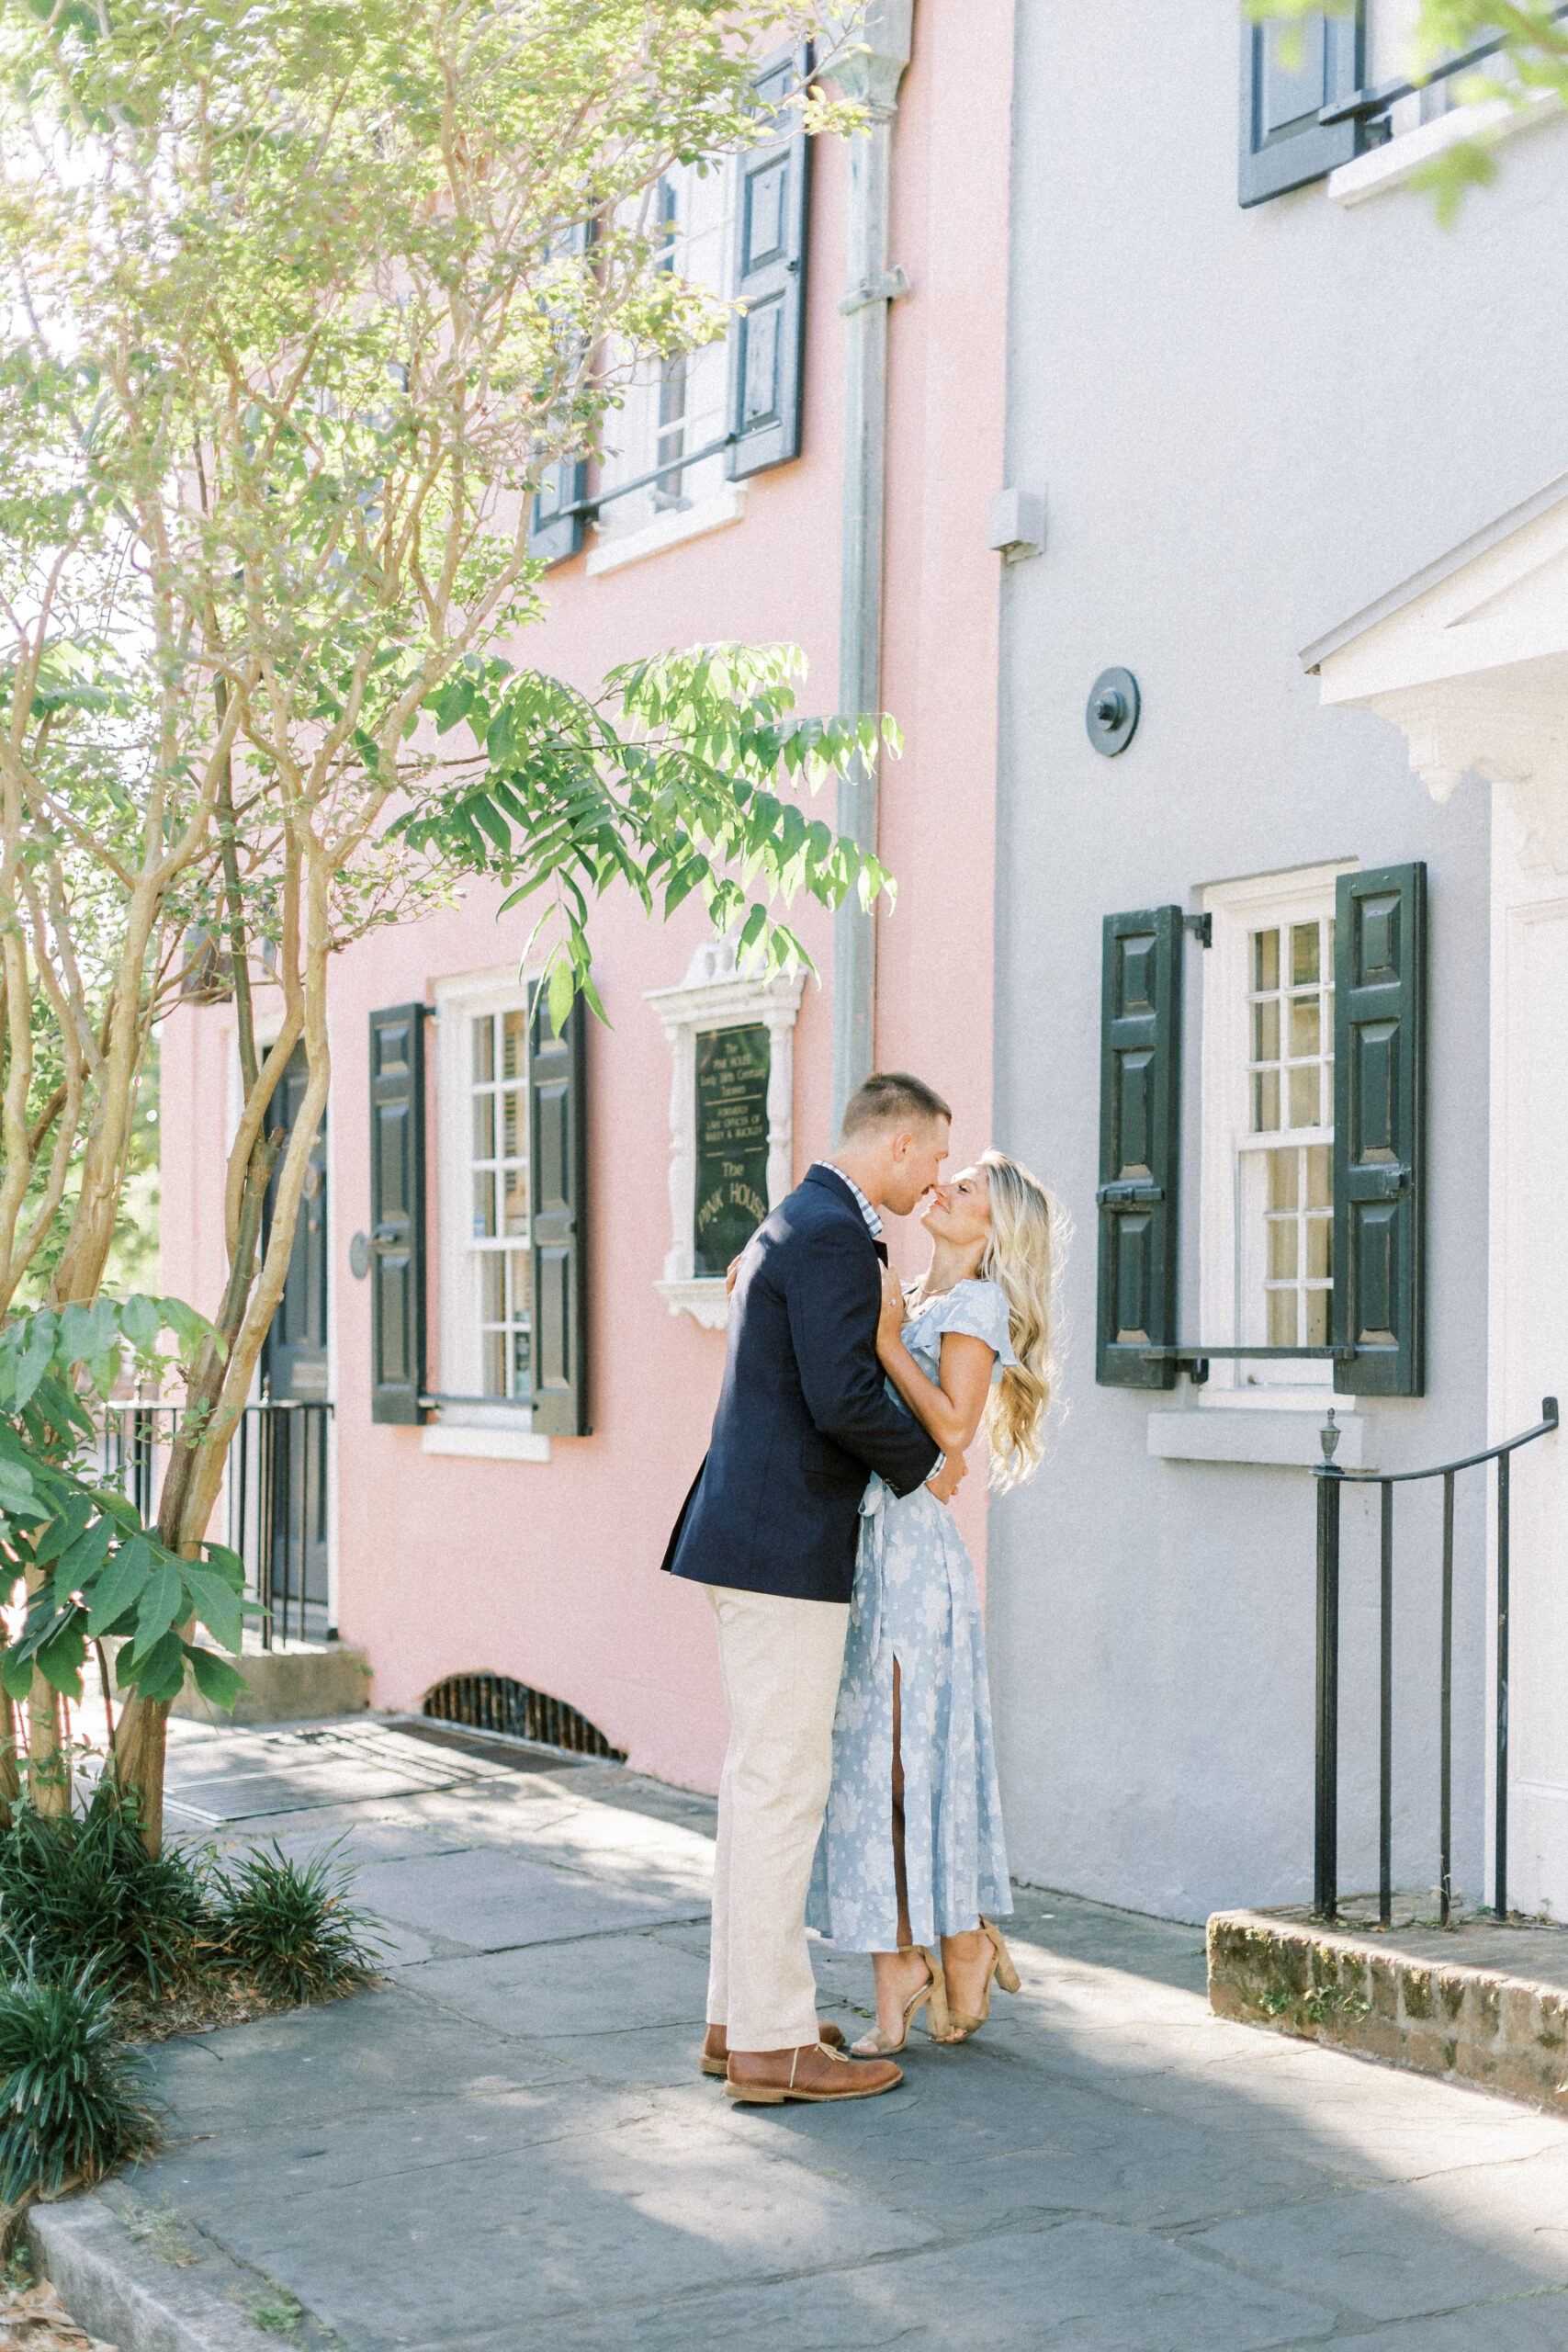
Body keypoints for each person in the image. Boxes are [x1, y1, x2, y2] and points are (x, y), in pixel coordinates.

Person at [661, 1071, 965, 2106]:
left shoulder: (797, 1216)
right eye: (931, 1160)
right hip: (782, 1546)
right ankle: (775, 2045)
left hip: (748, 1539)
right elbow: (840, 1395)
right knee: (783, 1786)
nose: (934, 1184)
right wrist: (928, 1461)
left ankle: (738, 2017)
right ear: (895, 1145)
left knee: (760, 1787)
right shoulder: (836, 1231)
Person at [807, 1150, 1061, 2054]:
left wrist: (882, 1344)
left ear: (993, 1230)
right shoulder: (916, 1293)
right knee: (889, 1760)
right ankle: (951, 1944)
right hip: (880, 1545)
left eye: (966, 1190)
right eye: (948, 1178)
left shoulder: (977, 1306)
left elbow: (953, 1430)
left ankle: (944, 1945)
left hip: (915, 1556)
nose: (943, 1189)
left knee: (906, 1762)